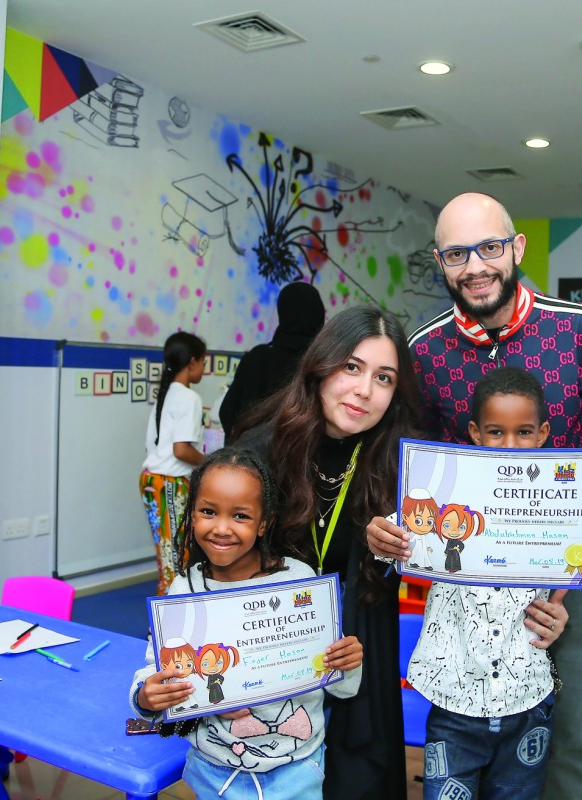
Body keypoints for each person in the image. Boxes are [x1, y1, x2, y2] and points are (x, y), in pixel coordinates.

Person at [366, 192, 582, 800]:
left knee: (567, 738)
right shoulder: (424, 351)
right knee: (466, 729)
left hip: (568, 574)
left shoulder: (579, 330)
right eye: (457, 254)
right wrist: (394, 521)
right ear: (441, 262)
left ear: (516, 248)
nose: (475, 267)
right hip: (468, 581)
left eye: (489, 248)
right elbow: (409, 459)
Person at [407, 366, 582, 800]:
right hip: (455, 701)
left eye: (524, 432)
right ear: (475, 433)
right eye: (496, 432)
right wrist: (382, 535)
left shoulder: (562, 504)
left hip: (526, 696)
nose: (510, 445)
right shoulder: (447, 497)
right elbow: (403, 533)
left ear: (544, 433)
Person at [232, 305, 420, 800]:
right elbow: (212, 560)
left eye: (384, 378)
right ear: (320, 366)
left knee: (356, 783)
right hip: (273, 646)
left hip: (359, 647)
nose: (364, 390)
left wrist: (390, 550)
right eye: (352, 367)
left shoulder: (401, 462)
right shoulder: (259, 451)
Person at [130, 447, 363, 800]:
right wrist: (147, 697)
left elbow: (341, 685)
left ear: (263, 522)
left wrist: (349, 661)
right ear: (192, 514)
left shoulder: (298, 580)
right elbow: (157, 672)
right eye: (209, 511)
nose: (222, 528)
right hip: (212, 772)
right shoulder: (183, 592)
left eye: (240, 515)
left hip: (298, 769)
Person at [140, 331, 207, 595]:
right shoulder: (189, 397)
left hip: (152, 479)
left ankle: (167, 608)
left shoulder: (166, 394)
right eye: (203, 362)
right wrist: (210, 462)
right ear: (192, 362)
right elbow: (181, 451)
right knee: (176, 558)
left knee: (168, 554)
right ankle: (168, 613)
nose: (204, 369)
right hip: (169, 483)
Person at [220, 281, 326, 438]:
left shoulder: (258, 357)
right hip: (304, 451)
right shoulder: (323, 364)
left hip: (253, 450)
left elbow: (228, 411)